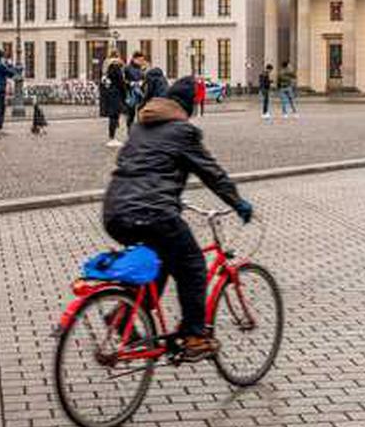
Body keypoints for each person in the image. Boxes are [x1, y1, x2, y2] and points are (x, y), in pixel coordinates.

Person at [102, 76, 253, 361]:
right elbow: (212, 173)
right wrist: (238, 202)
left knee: (158, 266)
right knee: (193, 264)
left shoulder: (139, 127)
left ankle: (123, 317)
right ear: (187, 106)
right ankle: (195, 336)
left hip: (115, 211)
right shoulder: (182, 131)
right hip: (153, 212)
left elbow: (142, 168)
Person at [100, 56, 127, 147]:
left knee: (113, 117)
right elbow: (121, 84)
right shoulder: (117, 70)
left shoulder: (107, 73)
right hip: (116, 96)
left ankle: (112, 137)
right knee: (114, 117)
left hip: (110, 96)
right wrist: (125, 94)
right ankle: (113, 137)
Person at [123, 52, 146, 128]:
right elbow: (123, 81)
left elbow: (145, 79)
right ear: (134, 59)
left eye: (142, 60)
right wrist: (130, 83)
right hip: (131, 93)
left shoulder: (143, 68)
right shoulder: (127, 68)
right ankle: (130, 129)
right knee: (131, 114)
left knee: (141, 112)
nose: (141, 62)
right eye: (140, 60)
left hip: (141, 92)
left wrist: (142, 82)